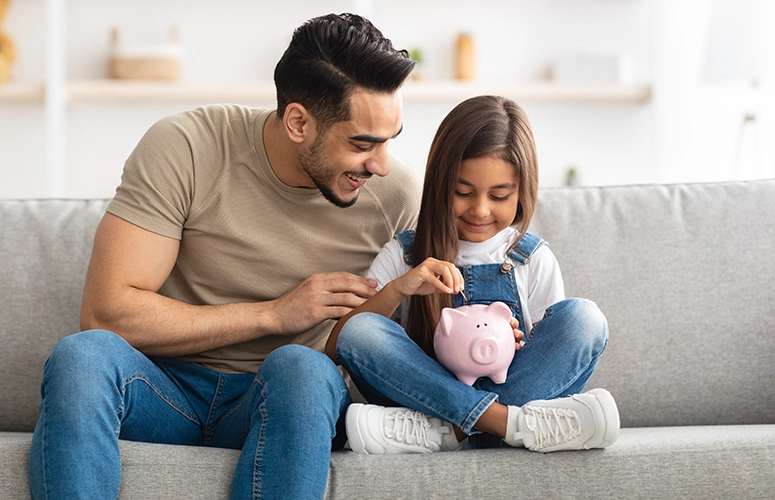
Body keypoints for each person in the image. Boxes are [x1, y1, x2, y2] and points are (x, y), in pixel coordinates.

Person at [28, 13, 421, 500]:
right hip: (161, 388)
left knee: (304, 369)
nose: (381, 165)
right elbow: (107, 313)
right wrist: (276, 314)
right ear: (298, 121)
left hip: (278, 397)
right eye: (363, 144)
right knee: (81, 357)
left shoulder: (398, 196)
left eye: (390, 140)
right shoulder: (187, 147)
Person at [326, 95, 620, 454]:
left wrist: (517, 343)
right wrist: (400, 289)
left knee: (584, 319)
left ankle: (447, 432)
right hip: (422, 396)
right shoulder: (405, 254)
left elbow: (547, 360)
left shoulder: (532, 258)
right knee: (362, 329)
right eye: (462, 192)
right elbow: (340, 345)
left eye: (499, 196)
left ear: (522, 193)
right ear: (439, 186)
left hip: (433, 415)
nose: (480, 210)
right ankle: (505, 425)